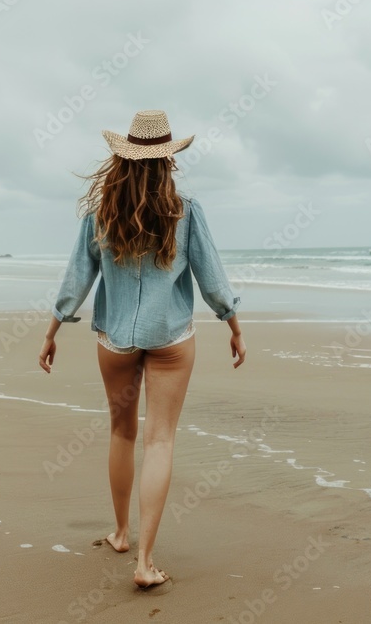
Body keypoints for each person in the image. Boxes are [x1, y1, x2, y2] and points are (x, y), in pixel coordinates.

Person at [38, 109, 246, 588]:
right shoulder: (186, 210)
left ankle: (119, 533)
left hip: (114, 339)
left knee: (122, 433)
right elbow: (212, 279)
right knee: (160, 440)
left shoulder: (100, 212)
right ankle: (145, 563)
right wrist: (232, 323)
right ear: (169, 158)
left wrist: (53, 330)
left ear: (124, 157)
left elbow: (77, 280)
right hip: (171, 338)